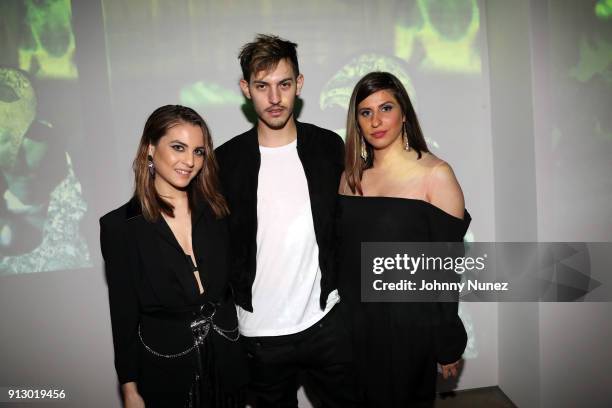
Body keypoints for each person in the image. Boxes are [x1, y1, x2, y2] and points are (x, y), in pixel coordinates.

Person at [215, 34, 360, 407]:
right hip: (259, 334)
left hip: (326, 321)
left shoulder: (329, 148)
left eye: (284, 84)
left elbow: (354, 224)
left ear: (300, 83)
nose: (275, 98)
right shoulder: (225, 162)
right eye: (262, 86)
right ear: (246, 89)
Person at [336, 71, 470, 407]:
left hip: (408, 330)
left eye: (386, 108)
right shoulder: (349, 178)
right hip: (355, 326)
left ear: (404, 113)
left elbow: (445, 270)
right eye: (365, 112)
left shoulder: (435, 175)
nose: (376, 120)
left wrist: (447, 340)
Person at [99, 105, 248, 407]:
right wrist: (129, 388)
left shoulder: (219, 211)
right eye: (178, 148)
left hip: (228, 363)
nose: (189, 161)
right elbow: (123, 314)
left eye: (198, 152)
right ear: (151, 149)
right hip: (166, 372)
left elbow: (238, 286)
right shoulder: (120, 227)